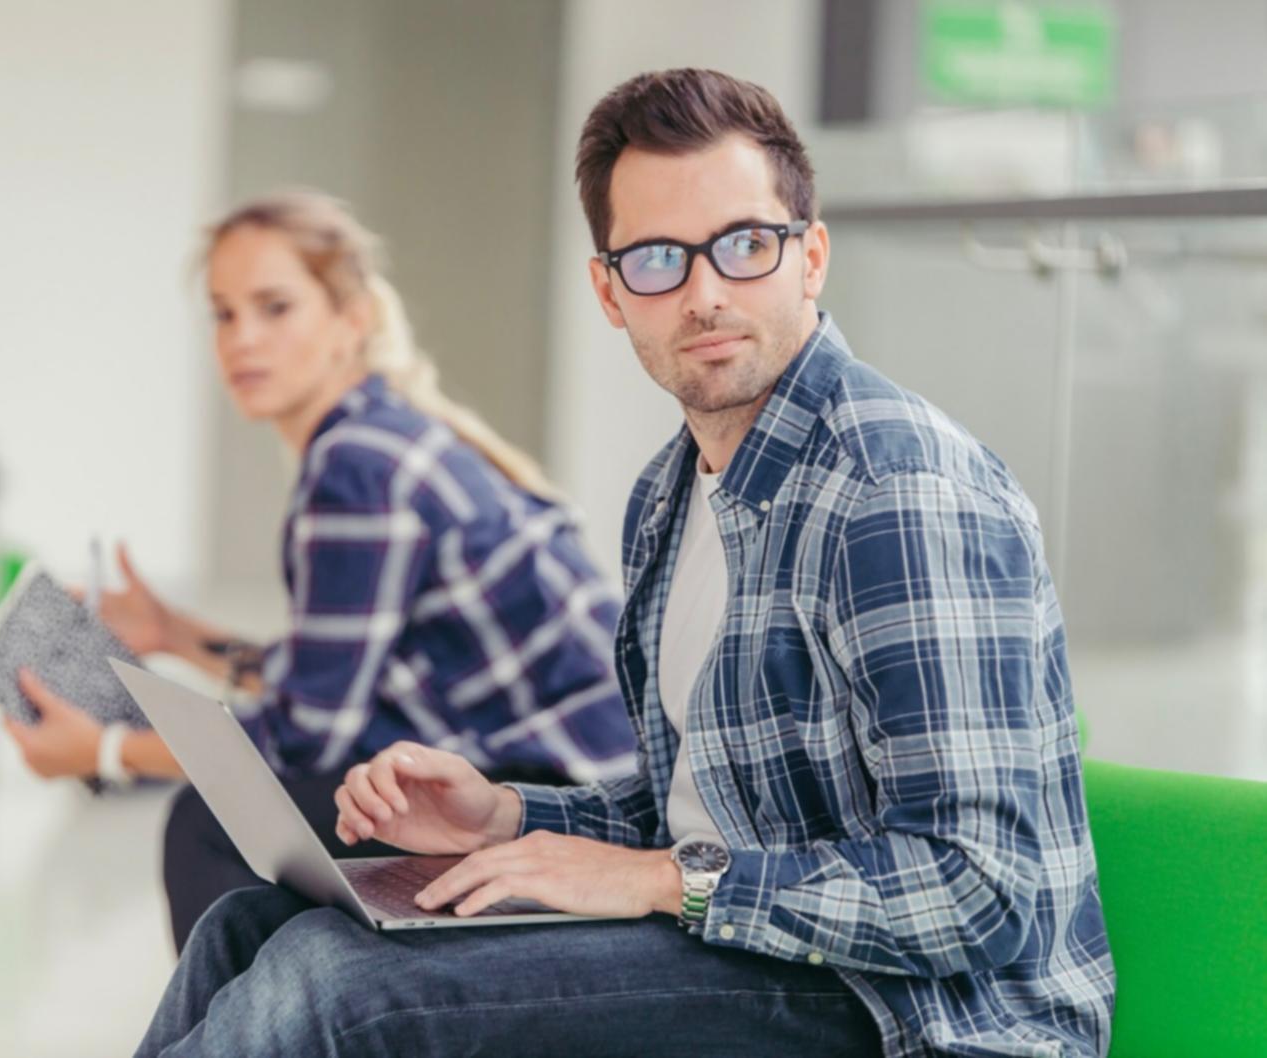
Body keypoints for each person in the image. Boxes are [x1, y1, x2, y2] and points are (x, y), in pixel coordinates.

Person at [134, 70, 1116, 1058]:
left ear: (809, 257)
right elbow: (682, 808)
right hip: (742, 948)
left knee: (335, 986)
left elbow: (982, 892)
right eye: (656, 259)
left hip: (907, 1012)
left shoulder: (895, 488)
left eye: (744, 245)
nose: (704, 293)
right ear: (610, 290)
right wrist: (503, 813)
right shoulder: (670, 494)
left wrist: (657, 880)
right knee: (249, 926)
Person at [3, 190, 638, 954]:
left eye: (275, 307)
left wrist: (104, 753)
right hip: (573, 769)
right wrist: (176, 634)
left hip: (559, 795)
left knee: (209, 826)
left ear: (352, 318)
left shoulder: (355, 466)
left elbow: (305, 736)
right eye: (224, 314)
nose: (243, 340)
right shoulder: (380, 434)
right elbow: (341, 680)